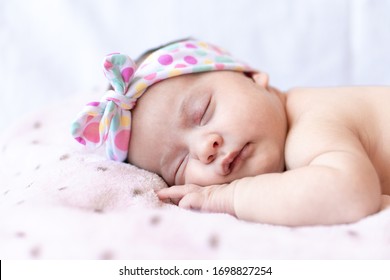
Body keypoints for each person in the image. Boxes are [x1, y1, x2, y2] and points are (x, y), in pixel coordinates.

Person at [72, 38, 390, 226]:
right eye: (180, 165)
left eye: (203, 111)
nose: (204, 147)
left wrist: (227, 197)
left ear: (252, 76)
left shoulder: (309, 125)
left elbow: (350, 195)